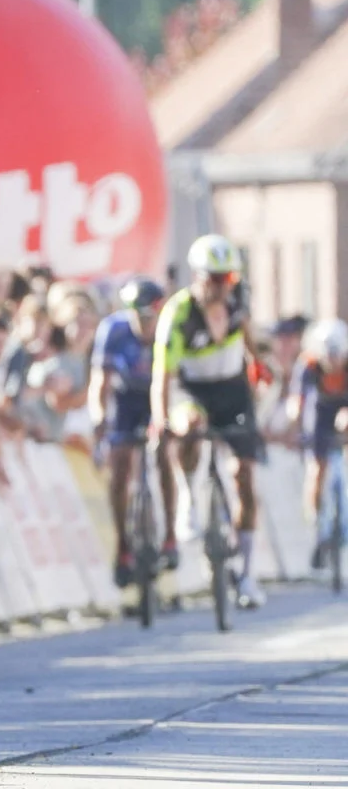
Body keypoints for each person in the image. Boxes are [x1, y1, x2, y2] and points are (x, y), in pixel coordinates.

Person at [151, 234, 266, 609]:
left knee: (244, 476)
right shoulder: (179, 313)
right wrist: (159, 418)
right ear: (198, 277)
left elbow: (249, 340)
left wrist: (260, 367)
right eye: (214, 279)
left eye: (227, 279)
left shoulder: (238, 302)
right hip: (193, 389)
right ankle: (187, 496)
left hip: (232, 389)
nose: (221, 287)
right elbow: (162, 376)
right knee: (187, 427)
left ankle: (246, 574)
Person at [89, 277, 176, 588]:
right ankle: (123, 546)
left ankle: (169, 536)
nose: (143, 323)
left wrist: (167, 420)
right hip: (127, 398)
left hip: (158, 395)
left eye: (148, 317)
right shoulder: (113, 330)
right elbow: (100, 380)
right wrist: (98, 417)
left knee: (163, 454)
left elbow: (175, 379)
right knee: (120, 463)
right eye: (137, 316)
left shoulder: (170, 328)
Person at [292, 318, 348, 569]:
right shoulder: (309, 365)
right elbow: (299, 402)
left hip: (344, 410)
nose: (333, 363)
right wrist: (294, 423)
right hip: (320, 416)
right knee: (317, 469)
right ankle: (317, 523)